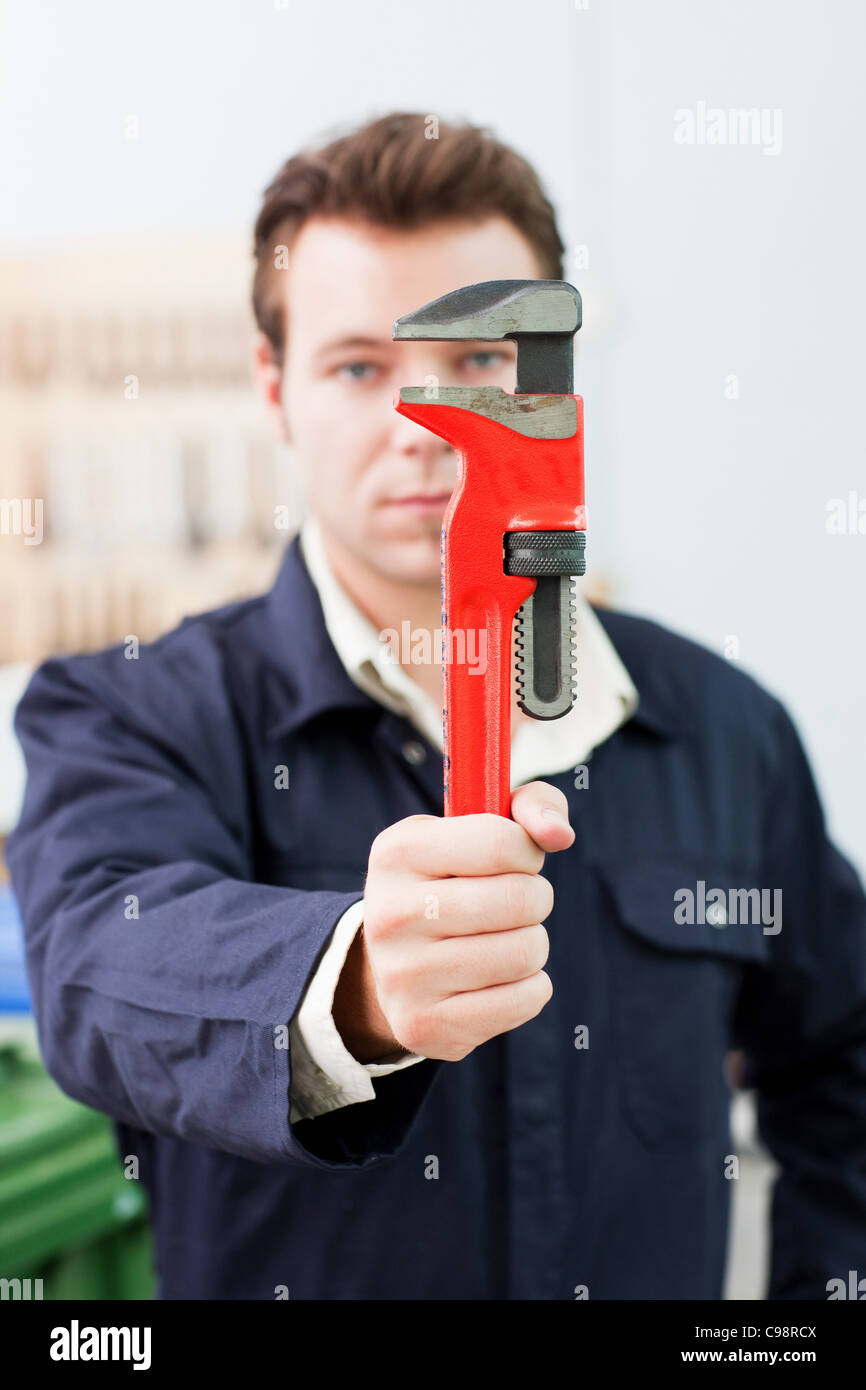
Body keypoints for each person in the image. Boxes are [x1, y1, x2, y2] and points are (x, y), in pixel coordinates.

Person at [6, 112, 866, 1301]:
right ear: (276, 389)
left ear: (551, 379)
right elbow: (93, 971)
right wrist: (346, 982)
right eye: (359, 365)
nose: (420, 425)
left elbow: (843, 1051)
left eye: (475, 360)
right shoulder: (131, 710)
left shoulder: (726, 730)